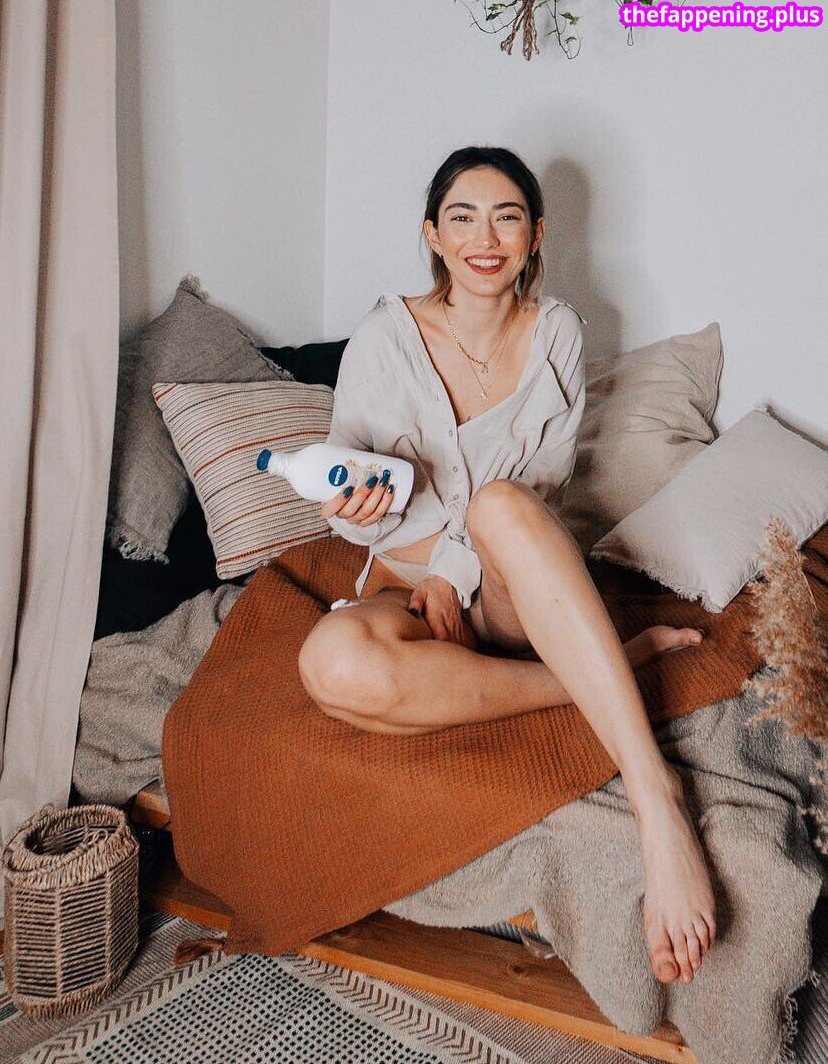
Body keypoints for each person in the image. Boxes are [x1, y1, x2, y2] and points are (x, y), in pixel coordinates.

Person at [298, 146, 717, 987]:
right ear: (433, 236)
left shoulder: (558, 331)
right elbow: (348, 479)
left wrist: (455, 574)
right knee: (329, 663)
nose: (484, 239)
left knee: (499, 504)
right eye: (462, 218)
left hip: (512, 591)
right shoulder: (383, 339)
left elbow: (538, 486)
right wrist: (348, 509)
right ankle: (596, 674)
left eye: (506, 218)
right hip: (405, 594)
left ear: (536, 235)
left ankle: (657, 799)